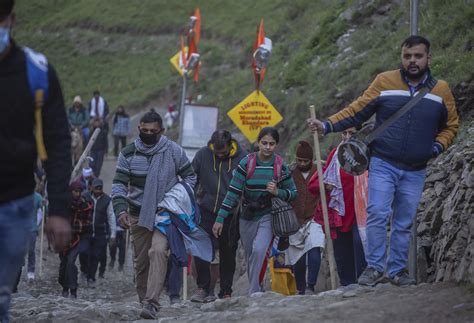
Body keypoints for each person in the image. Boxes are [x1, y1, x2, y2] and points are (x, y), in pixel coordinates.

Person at [307, 35, 459, 286]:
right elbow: (357, 109)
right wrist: (327, 125)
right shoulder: (384, 81)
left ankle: (398, 271)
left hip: (416, 168)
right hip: (383, 162)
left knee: (404, 221)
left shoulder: (440, 90)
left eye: (418, 56)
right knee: (377, 212)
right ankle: (375, 268)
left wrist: (436, 147)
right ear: (401, 56)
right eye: (407, 56)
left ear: (428, 58)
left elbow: (451, 125)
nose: (412, 61)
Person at [0, 1, 72, 321]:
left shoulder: (37, 72)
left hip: (15, 202)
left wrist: (58, 209)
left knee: (2, 293)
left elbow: (58, 143)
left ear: (11, 20)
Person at [112, 111, 196, 320]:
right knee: (141, 264)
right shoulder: (128, 153)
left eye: (153, 131)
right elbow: (119, 184)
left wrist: (175, 200)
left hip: (165, 216)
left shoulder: (174, 151)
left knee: (157, 252)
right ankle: (144, 300)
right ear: (138, 128)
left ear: (161, 131)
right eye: (144, 130)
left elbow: (190, 177)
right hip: (137, 215)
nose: (148, 134)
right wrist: (120, 210)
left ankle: (151, 303)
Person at [213, 127, 297, 294]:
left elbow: (293, 193)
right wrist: (220, 218)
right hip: (247, 216)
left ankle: (254, 293)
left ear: (276, 145)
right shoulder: (247, 163)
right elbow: (233, 193)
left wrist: (277, 192)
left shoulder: (280, 166)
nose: (267, 147)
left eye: (271, 144)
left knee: (260, 250)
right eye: (264, 143)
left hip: (268, 215)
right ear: (258, 142)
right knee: (252, 254)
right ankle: (256, 288)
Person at [190, 130, 246, 302]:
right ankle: (203, 288)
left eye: (224, 152)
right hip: (205, 209)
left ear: (231, 146)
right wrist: (191, 203)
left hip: (230, 212)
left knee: (228, 252)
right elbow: (191, 179)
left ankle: (226, 291)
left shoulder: (243, 157)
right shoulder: (202, 155)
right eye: (217, 152)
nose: (220, 155)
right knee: (201, 248)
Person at [308, 128, 367, 286]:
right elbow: (322, 180)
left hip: (360, 212)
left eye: (352, 133)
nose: (347, 137)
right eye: (345, 133)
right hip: (339, 212)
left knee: (359, 242)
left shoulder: (367, 155)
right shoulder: (336, 154)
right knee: (341, 250)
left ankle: (364, 283)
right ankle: (347, 285)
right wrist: (326, 185)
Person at [287, 141, 325, 295]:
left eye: (306, 161)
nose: (302, 164)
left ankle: (311, 286)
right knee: (298, 257)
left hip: (314, 219)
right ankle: (300, 289)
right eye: (299, 160)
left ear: (311, 160)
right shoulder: (289, 173)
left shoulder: (319, 171)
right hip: (294, 221)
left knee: (315, 247)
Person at [59, 182, 92, 298]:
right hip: (63, 239)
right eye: (75, 191)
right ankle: (64, 286)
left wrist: (74, 228)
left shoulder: (85, 205)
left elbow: (87, 223)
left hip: (77, 238)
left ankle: (73, 290)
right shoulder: (63, 204)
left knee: (71, 263)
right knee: (63, 265)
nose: (77, 194)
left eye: (79, 191)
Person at [82, 178, 116, 286]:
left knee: (96, 256)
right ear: (91, 187)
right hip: (86, 231)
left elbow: (111, 217)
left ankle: (91, 277)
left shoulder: (107, 200)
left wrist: (113, 234)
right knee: (84, 252)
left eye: (100, 188)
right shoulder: (85, 197)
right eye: (96, 187)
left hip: (100, 233)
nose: (98, 190)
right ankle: (84, 270)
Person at [26, 185, 44, 281]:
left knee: (31, 250)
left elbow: (44, 209)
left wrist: (45, 204)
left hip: (32, 228)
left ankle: (31, 271)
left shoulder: (37, 197)